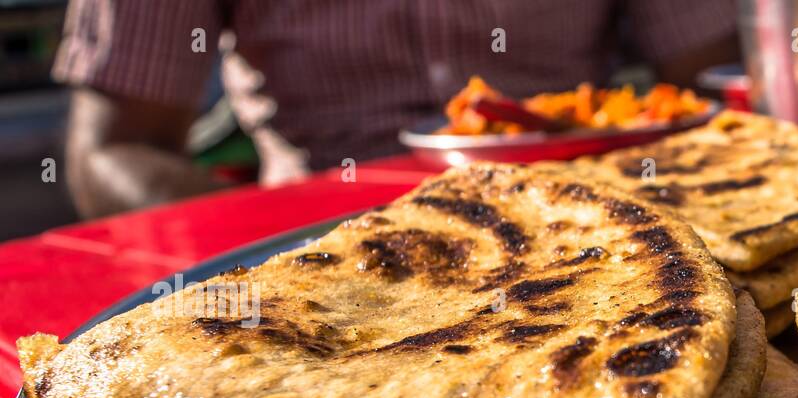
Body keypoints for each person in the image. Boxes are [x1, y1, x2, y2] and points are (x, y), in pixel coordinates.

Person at [53, 0, 738, 218]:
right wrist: (262, 261)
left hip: (598, 226)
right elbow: (115, 150)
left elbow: (717, 77)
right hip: (316, 248)